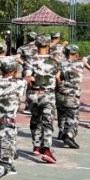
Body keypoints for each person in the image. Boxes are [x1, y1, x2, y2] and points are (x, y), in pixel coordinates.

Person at [24, 34, 60, 163]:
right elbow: (58, 78)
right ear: (49, 45)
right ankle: (47, 149)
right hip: (48, 94)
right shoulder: (54, 61)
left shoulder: (30, 60)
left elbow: (27, 78)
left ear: (36, 45)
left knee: (35, 119)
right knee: (47, 122)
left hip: (33, 94)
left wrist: (31, 87)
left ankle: (36, 146)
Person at [56, 44, 84, 148]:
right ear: (76, 55)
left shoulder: (59, 64)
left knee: (61, 113)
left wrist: (60, 84)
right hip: (72, 94)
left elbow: (56, 77)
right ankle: (69, 135)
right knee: (73, 117)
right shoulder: (79, 64)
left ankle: (61, 131)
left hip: (59, 93)